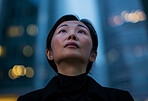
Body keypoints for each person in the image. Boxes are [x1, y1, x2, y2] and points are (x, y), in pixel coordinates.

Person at [17, 14, 134, 101]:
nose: (72, 35)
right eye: (63, 30)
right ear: (49, 54)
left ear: (93, 55)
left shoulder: (120, 99)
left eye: (81, 32)